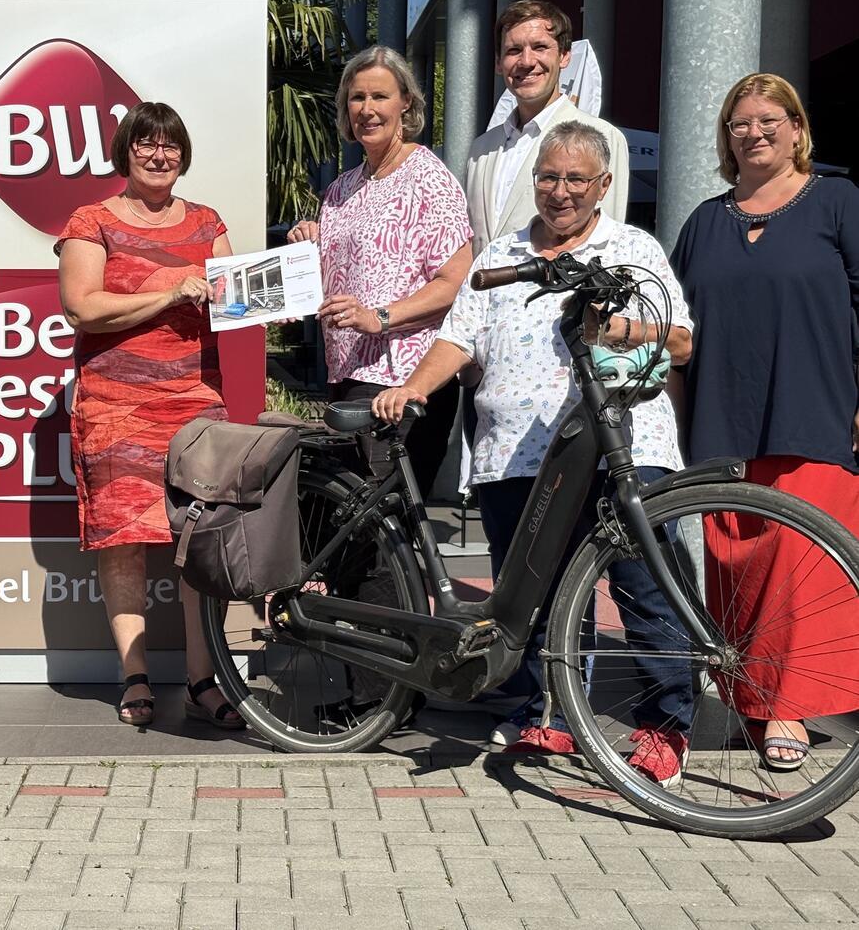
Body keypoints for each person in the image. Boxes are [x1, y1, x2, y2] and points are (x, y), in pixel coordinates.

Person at [373, 122, 697, 787]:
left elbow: (682, 341)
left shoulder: (630, 249)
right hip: (515, 458)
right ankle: (543, 715)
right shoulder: (504, 253)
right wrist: (411, 387)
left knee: (643, 587)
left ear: (604, 185)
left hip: (620, 446)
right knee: (530, 599)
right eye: (548, 177)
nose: (559, 190)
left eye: (576, 179)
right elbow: (459, 339)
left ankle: (667, 726)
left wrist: (616, 325)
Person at [671, 72, 859, 771]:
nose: (752, 132)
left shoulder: (836, 202)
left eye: (767, 120)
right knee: (739, 568)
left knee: (799, 565)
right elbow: (678, 336)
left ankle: (790, 708)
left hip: (813, 411)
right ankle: (753, 700)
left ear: (798, 129)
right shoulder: (705, 221)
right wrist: (678, 428)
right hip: (724, 424)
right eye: (738, 124)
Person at [56, 101, 243, 730]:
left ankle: (202, 677)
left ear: (183, 155)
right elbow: (81, 309)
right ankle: (134, 675)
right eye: (145, 144)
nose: (158, 154)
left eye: (169, 145)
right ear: (125, 151)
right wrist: (168, 293)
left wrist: (287, 273)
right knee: (126, 542)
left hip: (196, 403)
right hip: (114, 404)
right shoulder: (91, 220)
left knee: (203, 543)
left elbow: (241, 302)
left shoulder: (209, 222)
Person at [286, 45, 473, 493]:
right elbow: (341, 274)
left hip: (401, 381)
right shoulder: (340, 188)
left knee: (390, 538)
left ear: (405, 102)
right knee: (355, 532)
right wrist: (308, 243)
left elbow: (456, 282)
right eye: (357, 98)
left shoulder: (429, 177)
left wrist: (380, 316)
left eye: (380, 97)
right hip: (346, 377)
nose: (367, 110)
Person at [465, 0, 629, 251]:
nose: (526, 61)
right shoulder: (481, 149)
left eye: (540, 47)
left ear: (564, 56)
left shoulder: (603, 137)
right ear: (498, 63)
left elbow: (607, 246)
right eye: (513, 50)